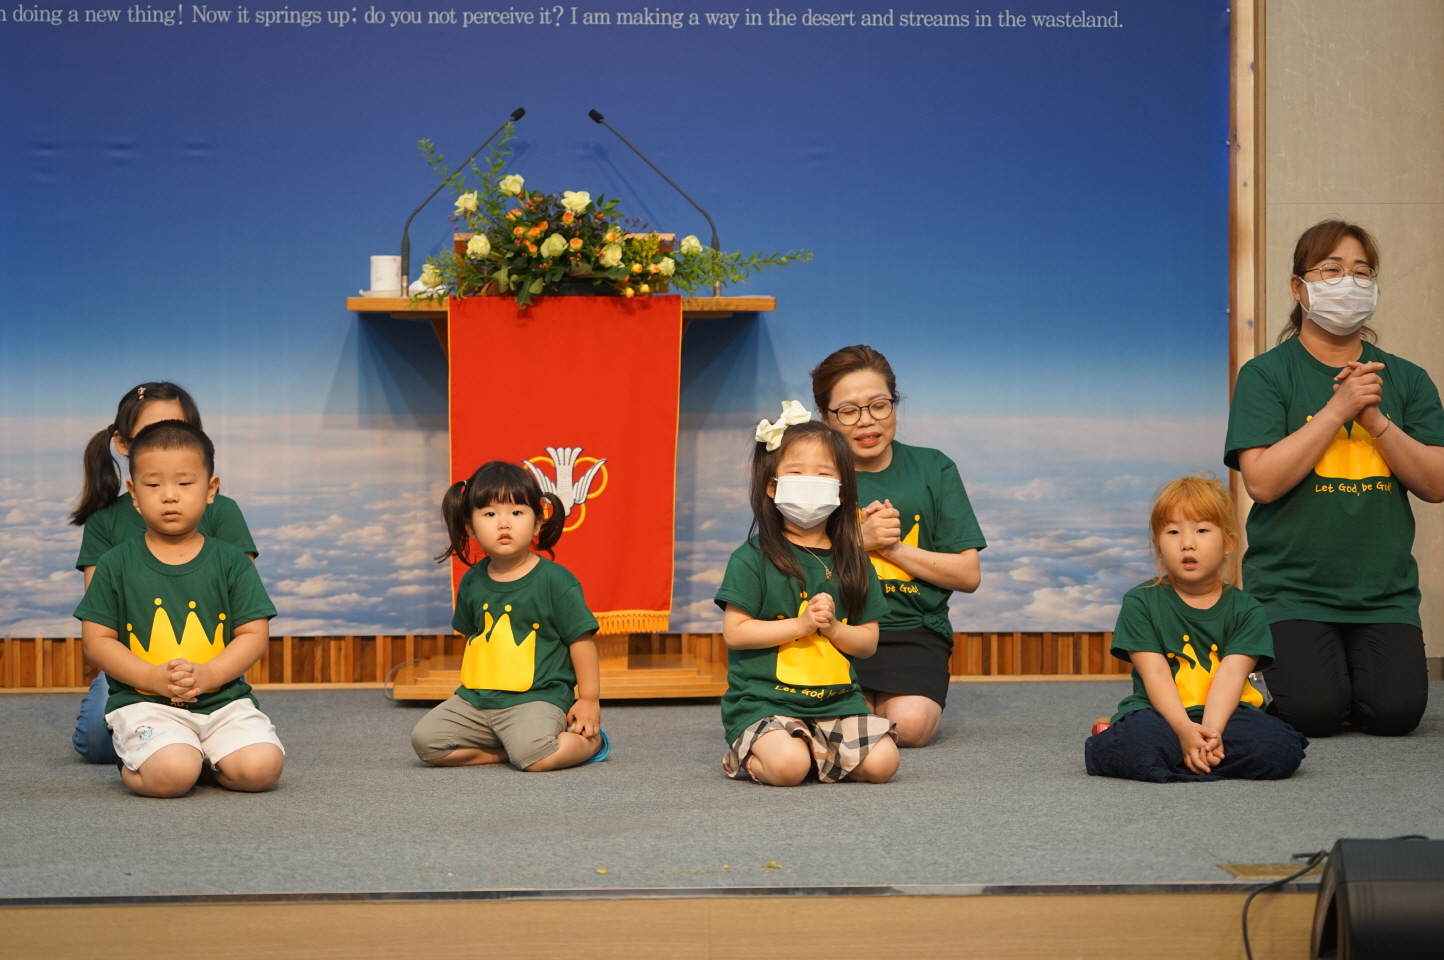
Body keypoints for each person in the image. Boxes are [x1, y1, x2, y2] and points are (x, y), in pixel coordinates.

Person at [1226, 219, 1444, 737]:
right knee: (1314, 714)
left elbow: (1436, 485)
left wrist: (1376, 422)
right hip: (1292, 588)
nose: (1349, 282)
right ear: (1298, 287)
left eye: (1361, 272)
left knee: (1396, 715)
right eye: (1331, 270)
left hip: (1383, 590)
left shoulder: (1407, 378)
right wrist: (1337, 410)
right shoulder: (1265, 374)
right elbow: (1262, 482)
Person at [74, 420, 283, 798]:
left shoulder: (232, 562)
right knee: (172, 776)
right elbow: (97, 641)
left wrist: (209, 673)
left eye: (185, 483)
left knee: (261, 770)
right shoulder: (115, 564)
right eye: (153, 485)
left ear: (211, 489)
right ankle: (146, 760)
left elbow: (253, 634)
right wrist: (152, 677)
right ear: (134, 494)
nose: (169, 496)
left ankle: (199, 757)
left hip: (224, 702)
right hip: (144, 704)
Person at [713, 408, 899, 786]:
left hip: (838, 704)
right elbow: (735, 632)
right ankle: (753, 755)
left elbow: (867, 643)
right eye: (796, 473)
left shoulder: (855, 560)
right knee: (787, 768)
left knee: (884, 764)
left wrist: (833, 628)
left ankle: (813, 752)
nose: (810, 482)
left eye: (824, 474)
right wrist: (801, 625)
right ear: (772, 486)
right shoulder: (752, 558)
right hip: (765, 703)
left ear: (842, 490)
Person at [810, 345, 986, 747]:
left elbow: (968, 575)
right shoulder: (811, 472)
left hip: (913, 630)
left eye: (879, 405)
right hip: (833, 629)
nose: (867, 421)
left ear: (895, 404)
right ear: (825, 416)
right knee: (853, 721)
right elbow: (786, 564)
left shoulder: (934, 467)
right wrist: (860, 539)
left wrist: (891, 549)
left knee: (910, 727)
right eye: (848, 410)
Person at [1084, 477, 1307, 783]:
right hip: (1160, 713)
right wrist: (1184, 730)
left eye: (1202, 530)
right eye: (1173, 532)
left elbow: (1231, 676)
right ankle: (1123, 734)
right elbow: (1156, 674)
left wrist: (1211, 734)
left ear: (1229, 543)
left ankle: (1193, 756)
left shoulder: (1248, 609)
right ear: (1158, 545)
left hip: (1230, 713)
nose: (1187, 543)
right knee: (1136, 749)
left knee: (1278, 751)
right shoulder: (1140, 602)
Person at [410, 461, 609, 771]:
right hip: (477, 700)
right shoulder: (472, 580)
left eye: (516, 512)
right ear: (469, 527)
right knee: (427, 744)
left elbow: (581, 642)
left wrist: (588, 700)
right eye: (490, 514)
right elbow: (475, 639)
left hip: (538, 698)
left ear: (538, 523)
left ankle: (590, 742)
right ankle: (504, 752)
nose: (504, 524)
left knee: (536, 758)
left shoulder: (556, 581)